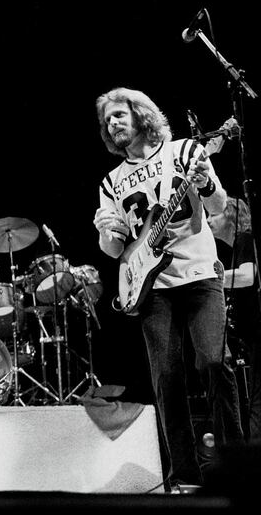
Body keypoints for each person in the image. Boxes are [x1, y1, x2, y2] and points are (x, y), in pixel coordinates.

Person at [92, 87, 244, 490]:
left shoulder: (185, 152)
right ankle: (185, 475)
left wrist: (207, 185)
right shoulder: (111, 182)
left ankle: (235, 465)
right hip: (150, 287)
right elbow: (113, 250)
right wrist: (107, 233)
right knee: (167, 378)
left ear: (140, 115)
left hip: (199, 275)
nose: (113, 124)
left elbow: (216, 207)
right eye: (108, 120)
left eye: (120, 115)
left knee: (214, 362)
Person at [208, 196, 260, 441]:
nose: (208, 220)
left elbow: (247, 276)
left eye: (213, 215)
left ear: (231, 216)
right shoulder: (238, 246)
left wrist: (210, 277)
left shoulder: (245, 239)